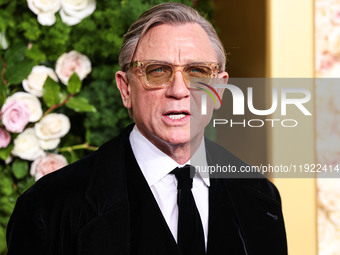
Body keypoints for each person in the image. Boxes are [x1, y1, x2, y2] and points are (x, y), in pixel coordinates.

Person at [6, 3, 287, 255]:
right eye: (157, 71)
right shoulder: (49, 208)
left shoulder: (261, 197)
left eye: (197, 72)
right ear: (125, 88)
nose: (179, 90)